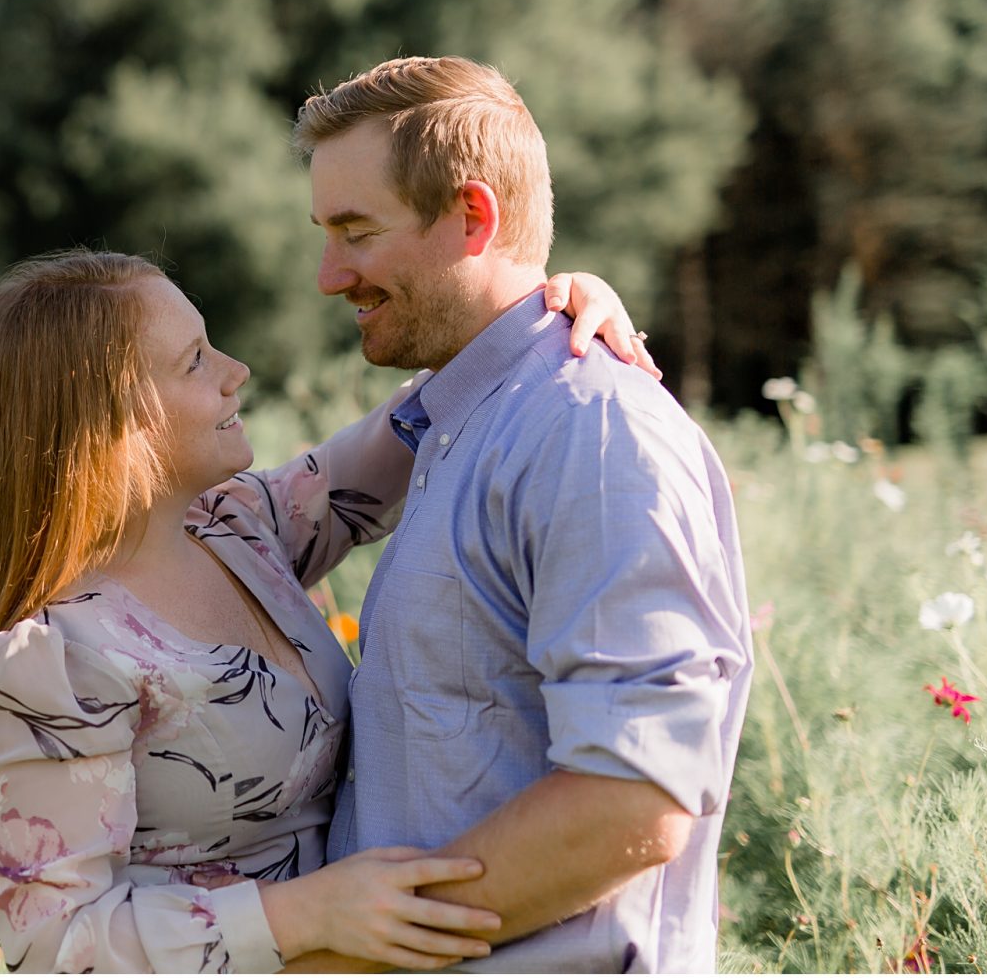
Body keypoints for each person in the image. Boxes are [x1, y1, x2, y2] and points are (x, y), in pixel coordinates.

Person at [0, 249, 658, 974]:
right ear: (108, 420)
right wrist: (306, 912)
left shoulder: (239, 528)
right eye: (194, 361)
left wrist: (543, 316)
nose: (234, 370)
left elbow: (409, 431)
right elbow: (55, 945)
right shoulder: (55, 661)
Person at [289, 56, 753, 973]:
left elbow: (635, 796)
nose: (328, 274)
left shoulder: (591, 428)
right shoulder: (455, 422)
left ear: (473, 216)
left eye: (355, 231)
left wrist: (342, 961)